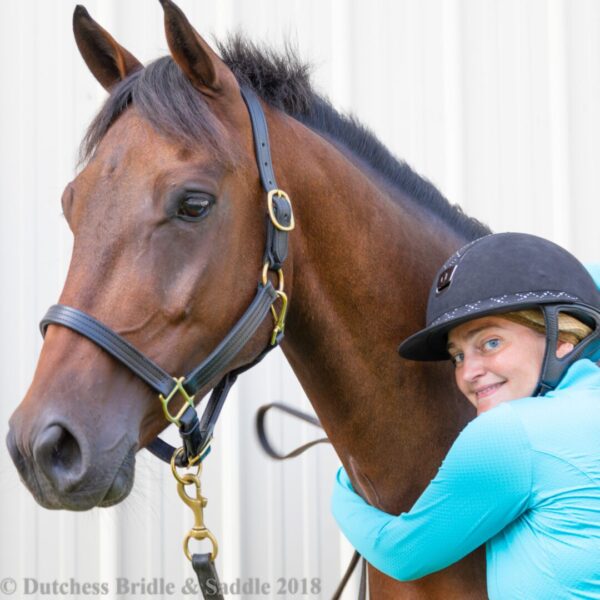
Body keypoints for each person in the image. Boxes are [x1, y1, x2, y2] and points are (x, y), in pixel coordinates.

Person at [331, 232, 600, 599]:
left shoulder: (511, 433)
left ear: (563, 336)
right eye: (458, 356)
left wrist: (344, 485)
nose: (469, 372)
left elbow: (402, 554)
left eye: (491, 342)